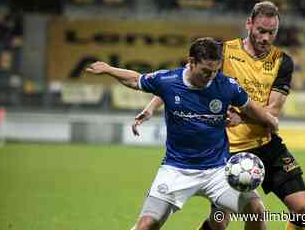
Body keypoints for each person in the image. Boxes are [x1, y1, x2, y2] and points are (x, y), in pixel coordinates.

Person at [132, 1, 305, 230]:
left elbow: (273, 110)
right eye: (261, 31)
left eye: (272, 32)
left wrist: (242, 117)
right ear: (249, 24)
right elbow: (181, 82)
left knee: (304, 210)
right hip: (229, 149)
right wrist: (151, 108)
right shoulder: (223, 52)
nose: (266, 38)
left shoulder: (282, 62)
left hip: (265, 144)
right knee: (221, 222)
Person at [86, 37, 278, 230]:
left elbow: (250, 108)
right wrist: (109, 69)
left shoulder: (226, 85)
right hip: (176, 169)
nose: (210, 76)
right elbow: (136, 79)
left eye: (215, 71)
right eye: (205, 71)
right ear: (191, 62)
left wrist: (270, 121)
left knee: (256, 211)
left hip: (218, 171)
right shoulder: (168, 81)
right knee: (146, 225)